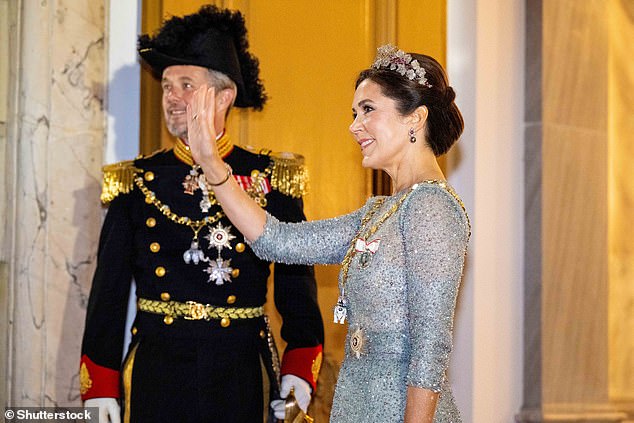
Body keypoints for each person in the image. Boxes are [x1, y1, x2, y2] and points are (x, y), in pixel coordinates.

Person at [186, 44, 470, 423]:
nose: (354, 126)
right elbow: (278, 240)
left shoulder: (431, 207)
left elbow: (430, 347)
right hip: (356, 405)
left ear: (414, 119)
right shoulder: (378, 212)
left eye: (368, 110)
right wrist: (211, 164)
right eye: (354, 114)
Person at [79, 5, 324, 423]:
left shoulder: (271, 179)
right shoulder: (134, 181)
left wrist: (300, 365)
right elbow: (108, 293)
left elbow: (295, 286)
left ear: (225, 96)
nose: (171, 97)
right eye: (167, 86)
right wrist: (100, 385)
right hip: (156, 372)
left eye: (186, 85)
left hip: (241, 372)